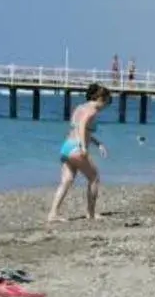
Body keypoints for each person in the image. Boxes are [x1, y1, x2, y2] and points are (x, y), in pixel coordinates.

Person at [47, 85, 111, 224]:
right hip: (76, 148)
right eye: (106, 102)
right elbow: (82, 126)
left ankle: (53, 213)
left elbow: (79, 129)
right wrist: (83, 146)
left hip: (66, 147)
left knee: (66, 181)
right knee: (94, 177)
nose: (105, 106)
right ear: (100, 99)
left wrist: (98, 143)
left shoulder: (80, 108)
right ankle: (91, 213)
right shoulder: (93, 110)